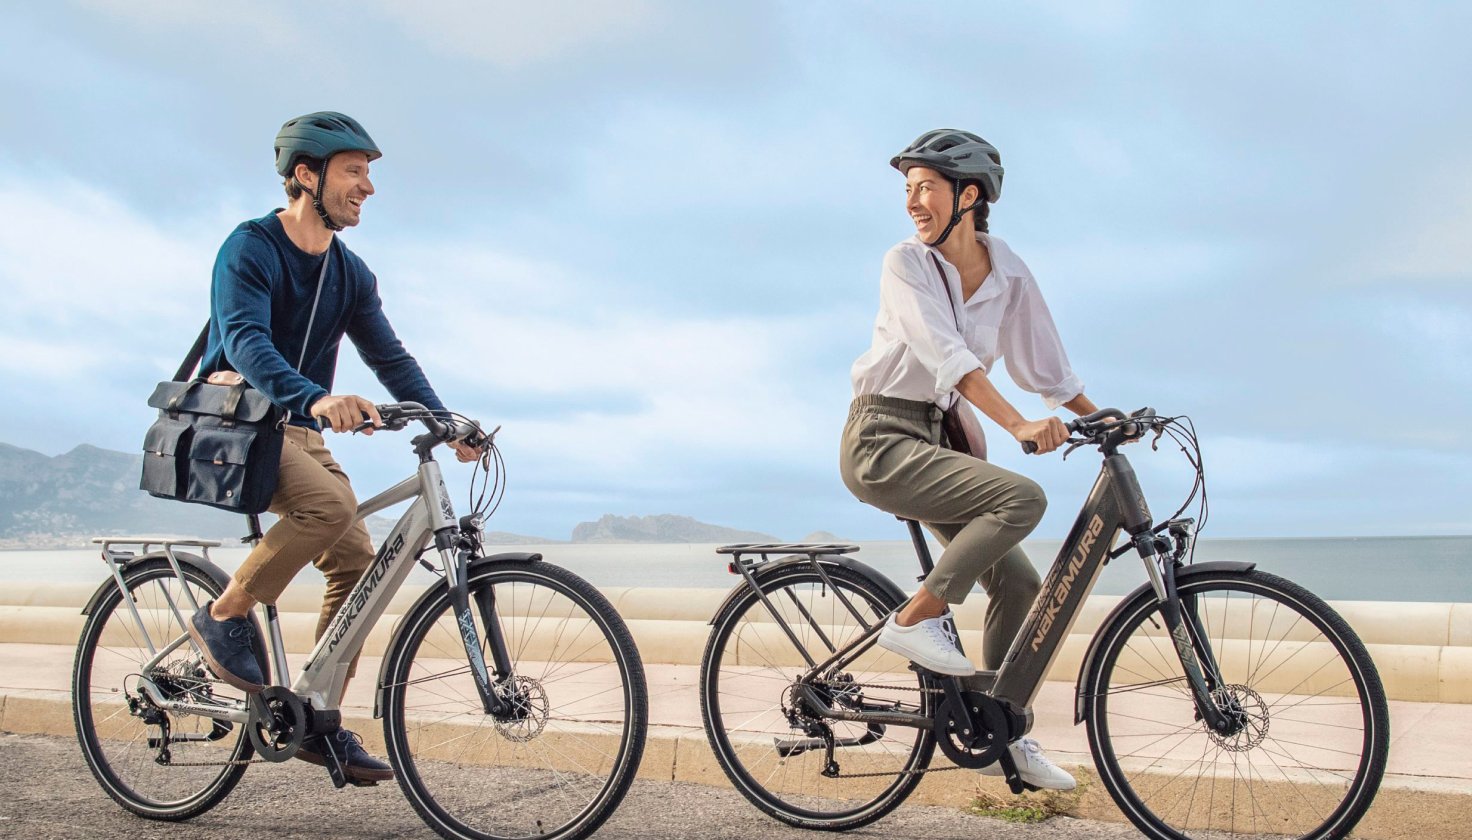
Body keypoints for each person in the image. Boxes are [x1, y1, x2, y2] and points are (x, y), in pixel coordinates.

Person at [184, 112, 480, 783]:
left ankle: (317, 718)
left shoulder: (349, 272)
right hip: (243, 420)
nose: (367, 186)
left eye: (369, 173)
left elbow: (390, 356)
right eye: (354, 170)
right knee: (326, 509)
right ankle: (223, 613)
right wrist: (314, 396)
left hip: (300, 430)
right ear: (305, 175)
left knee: (355, 560)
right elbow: (246, 341)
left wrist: (447, 419)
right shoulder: (250, 247)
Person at [839, 129, 1103, 790]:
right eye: (908, 189)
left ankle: (1005, 731)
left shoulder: (1006, 267)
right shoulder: (905, 264)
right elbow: (947, 357)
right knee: (1022, 499)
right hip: (881, 438)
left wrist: (1102, 421)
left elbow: (1045, 363)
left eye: (925, 186)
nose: (912, 202)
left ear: (970, 194)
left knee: (1019, 587)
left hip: (933, 440)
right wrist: (1016, 423)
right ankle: (914, 619)